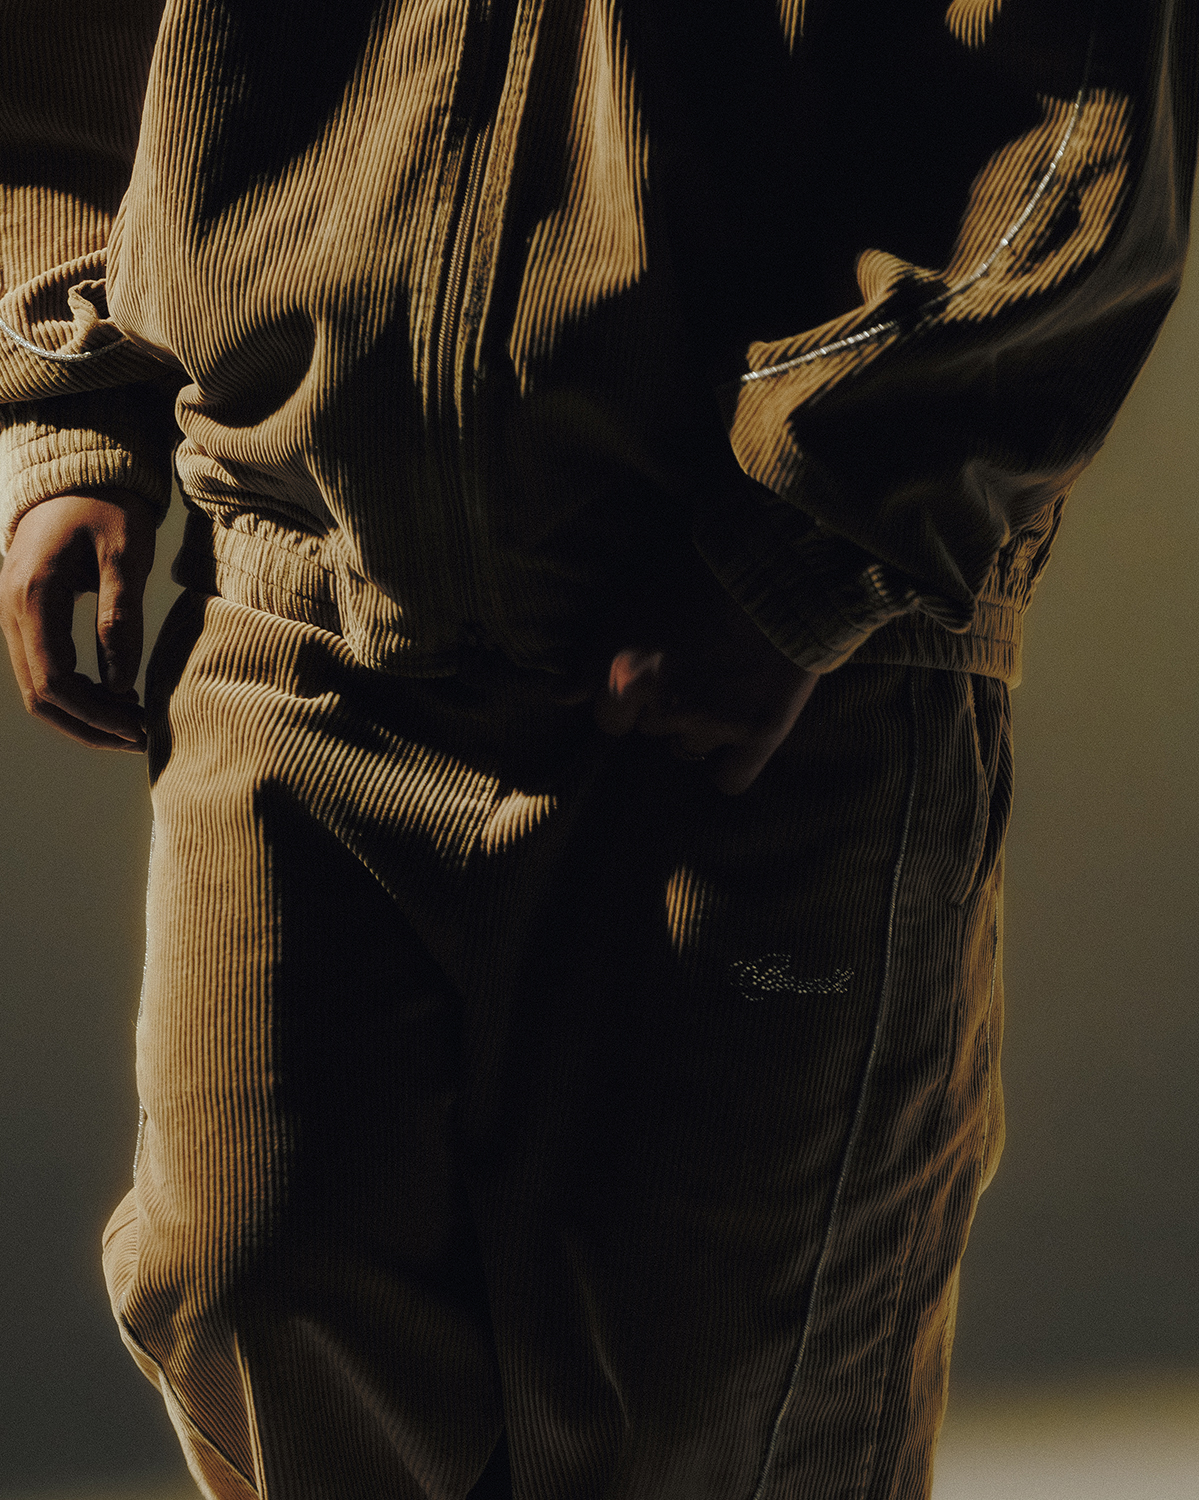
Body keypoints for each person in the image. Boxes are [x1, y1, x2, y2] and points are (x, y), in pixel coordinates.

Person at [1, 2, 1194, 1497]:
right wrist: (66, 390)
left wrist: (809, 529)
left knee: (705, 1406)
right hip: (292, 585)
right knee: (255, 1274)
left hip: (756, 672)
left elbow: (1072, 99)